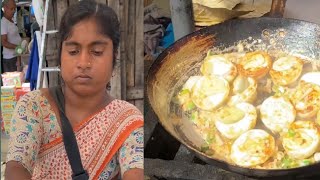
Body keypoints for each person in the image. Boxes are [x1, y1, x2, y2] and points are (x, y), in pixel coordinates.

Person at [4, 1, 144, 179]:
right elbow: (16, 167)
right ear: (61, 56)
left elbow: (135, 171)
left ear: (113, 58)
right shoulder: (34, 107)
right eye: (73, 51)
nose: (83, 63)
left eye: (97, 51)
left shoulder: (127, 120)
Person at [1, 0, 22, 72]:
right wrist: (17, 47)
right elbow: (4, 42)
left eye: (15, 9)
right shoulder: (3, 23)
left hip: (15, 56)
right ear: (5, 8)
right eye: (11, 9)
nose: (13, 11)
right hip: (10, 59)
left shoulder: (11, 21)